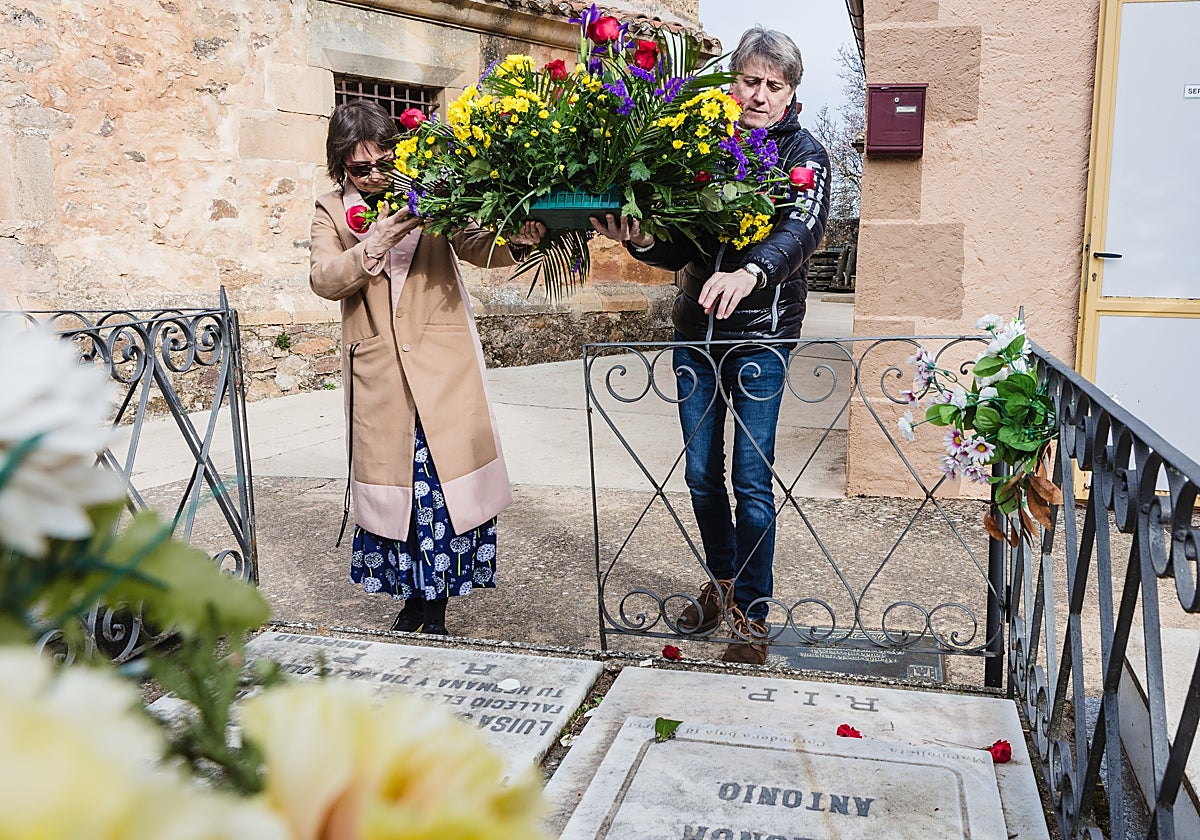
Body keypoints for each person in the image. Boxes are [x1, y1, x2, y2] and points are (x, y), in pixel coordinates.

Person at [592, 27, 831, 664]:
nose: (757, 94)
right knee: (701, 475)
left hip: (760, 337)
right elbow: (682, 243)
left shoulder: (805, 153)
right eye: (748, 80)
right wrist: (640, 242)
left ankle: (752, 613)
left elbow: (801, 231)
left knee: (752, 482)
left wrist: (750, 273)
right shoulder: (703, 142)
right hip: (695, 334)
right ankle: (723, 583)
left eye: (771, 86)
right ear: (733, 81)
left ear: (789, 94)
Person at [310, 100, 544, 635]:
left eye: (382, 160)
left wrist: (514, 241)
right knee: (398, 491)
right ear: (340, 165)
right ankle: (410, 602)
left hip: (442, 364)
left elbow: (475, 246)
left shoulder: (430, 191)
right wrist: (377, 240)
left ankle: (434, 610)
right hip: (382, 373)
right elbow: (324, 279)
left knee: (441, 488)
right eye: (358, 168)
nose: (373, 175)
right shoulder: (329, 209)